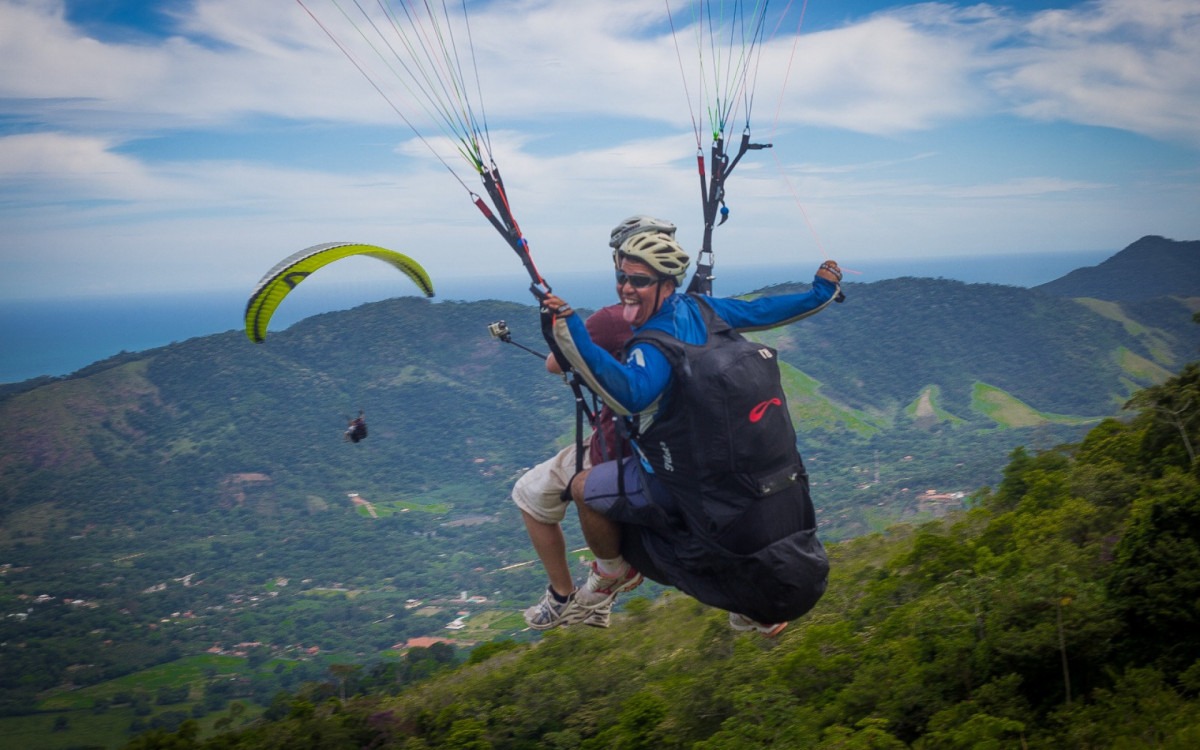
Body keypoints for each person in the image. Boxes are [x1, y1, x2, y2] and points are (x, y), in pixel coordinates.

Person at [541, 228, 843, 636]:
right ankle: (750, 610)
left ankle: (612, 572)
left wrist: (571, 330)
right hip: (736, 469)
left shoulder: (653, 347)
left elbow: (628, 394)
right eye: (622, 278)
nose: (627, 289)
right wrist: (820, 292)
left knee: (580, 487)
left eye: (640, 281)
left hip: (682, 477)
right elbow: (764, 311)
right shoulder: (702, 308)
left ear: (667, 284)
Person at [515, 216, 676, 630]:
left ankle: (563, 592)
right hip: (671, 446)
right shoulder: (685, 310)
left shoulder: (613, 319)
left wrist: (569, 332)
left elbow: (555, 364)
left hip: (619, 445)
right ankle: (600, 601)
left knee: (529, 493)